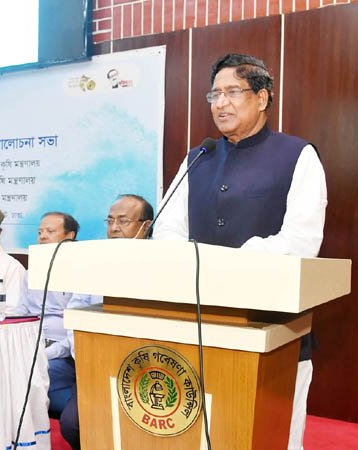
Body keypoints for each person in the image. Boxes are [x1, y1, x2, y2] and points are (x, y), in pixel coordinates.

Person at [153, 53, 327, 450]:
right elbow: (167, 228)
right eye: (214, 94)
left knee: (271, 438)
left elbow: (301, 240)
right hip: (199, 325)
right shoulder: (199, 157)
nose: (220, 103)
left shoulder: (298, 155)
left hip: (273, 330)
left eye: (233, 92)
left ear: (262, 98)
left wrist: (232, 264)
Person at [59, 194, 154, 450]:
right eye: (110, 221)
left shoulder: (159, 265)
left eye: (123, 221)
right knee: (73, 424)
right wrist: (85, 356)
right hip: (94, 363)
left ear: (146, 226)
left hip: (143, 367)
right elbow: (75, 311)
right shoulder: (95, 261)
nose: (114, 228)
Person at [12, 212, 101, 417]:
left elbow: (75, 332)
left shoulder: (81, 272)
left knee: (38, 372)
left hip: (63, 352)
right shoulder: (31, 272)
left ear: (69, 236)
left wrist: (44, 354)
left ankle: (83, 414)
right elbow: (21, 312)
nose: (42, 236)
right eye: (40, 232)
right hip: (33, 345)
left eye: (50, 231)